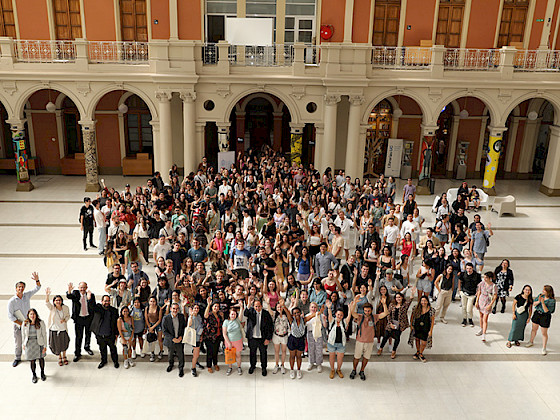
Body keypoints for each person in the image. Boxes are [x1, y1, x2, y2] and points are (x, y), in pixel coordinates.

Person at [7, 272, 41, 367]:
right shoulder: (12, 301)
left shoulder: (27, 295)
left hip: (29, 324)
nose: (21, 289)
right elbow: (10, 316)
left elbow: (37, 288)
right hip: (19, 325)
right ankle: (17, 357)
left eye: (22, 287)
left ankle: (31, 356)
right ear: (16, 288)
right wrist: (21, 323)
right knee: (18, 342)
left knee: (30, 340)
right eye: (19, 287)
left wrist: (37, 280)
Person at [349, 298, 388, 380]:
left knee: (366, 358)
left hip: (370, 342)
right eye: (365, 311)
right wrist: (354, 303)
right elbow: (353, 313)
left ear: (371, 310)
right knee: (356, 357)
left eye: (368, 311)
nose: (367, 312)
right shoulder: (360, 317)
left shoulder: (374, 317)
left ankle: (362, 371)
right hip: (360, 341)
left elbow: (385, 313)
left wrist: (384, 304)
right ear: (363, 310)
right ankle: (354, 370)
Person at [378, 290, 414, 359]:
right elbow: (388, 314)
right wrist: (390, 323)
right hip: (391, 323)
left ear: (402, 298)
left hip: (400, 324)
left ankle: (394, 351)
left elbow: (410, 300)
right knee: (386, 336)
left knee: (397, 338)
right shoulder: (392, 305)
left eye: (399, 297)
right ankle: (381, 348)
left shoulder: (404, 305)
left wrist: (412, 294)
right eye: (397, 297)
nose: (398, 299)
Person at [66, 281, 95, 362]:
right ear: (78, 288)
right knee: (79, 336)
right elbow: (69, 296)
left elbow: (93, 307)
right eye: (81, 287)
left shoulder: (91, 295)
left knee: (88, 334)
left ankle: (87, 347)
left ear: (86, 288)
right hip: (79, 319)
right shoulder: (75, 293)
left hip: (88, 318)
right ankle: (77, 353)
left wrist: (89, 299)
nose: (82, 289)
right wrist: (69, 290)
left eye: (84, 287)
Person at [244, 298, 274, 376]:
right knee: (252, 353)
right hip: (252, 337)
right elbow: (245, 313)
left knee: (263, 354)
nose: (257, 308)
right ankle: (252, 366)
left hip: (262, 338)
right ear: (253, 306)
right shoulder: (251, 311)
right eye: (256, 306)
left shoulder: (266, 314)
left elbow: (270, 326)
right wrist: (248, 304)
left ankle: (264, 367)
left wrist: (268, 338)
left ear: (261, 306)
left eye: (259, 306)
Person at [90, 295, 120, 369]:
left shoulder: (114, 310)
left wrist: (116, 334)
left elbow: (116, 323)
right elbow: (91, 306)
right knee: (102, 349)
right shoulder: (98, 308)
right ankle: (103, 361)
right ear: (102, 301)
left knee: (113, 349)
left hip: (110, 335)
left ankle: (115, 361)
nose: (107, 302)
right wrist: (91, 297)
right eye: (105, 301)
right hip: (100, 335)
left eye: (108, 301)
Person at [526, 285, 556, 355]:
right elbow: (534, 304)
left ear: (548, 292)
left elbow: (547, 311)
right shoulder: (540, 295)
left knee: (544, 333)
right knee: (534, 329)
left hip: (545, 316)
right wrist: (539, 301)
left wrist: (542, 303)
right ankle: (531, 341)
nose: (542, 291)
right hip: (537, 314)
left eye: (544, 290)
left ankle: (544, 348)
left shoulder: (552, 301)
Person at [45, 288, 70, 366]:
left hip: (63, 328)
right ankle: (59, 357)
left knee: (64, 343)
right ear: (54, 302)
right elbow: (47, 303)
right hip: (54, 329)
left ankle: (64, 356)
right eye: (56, 300)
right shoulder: (52, 308)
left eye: (59, 300)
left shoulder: (65, 308)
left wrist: (65, 320)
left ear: (61, 301)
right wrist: (47, 295)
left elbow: (68, 316)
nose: (58, 302)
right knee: (57, 344)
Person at [324, 299, 348, 379]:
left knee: (340, 358)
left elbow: (349, 317)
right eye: (338, 314)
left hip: (341, 344)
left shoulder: (344, 322)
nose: (339, 316)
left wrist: (351, 309)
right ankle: (332, 370)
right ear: (335, 314)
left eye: (341, 315)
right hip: (332, 343)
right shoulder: (332, 321)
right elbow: (330, 315)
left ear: (343, 316)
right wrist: (329, 308)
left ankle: (339, 369)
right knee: (331, 357)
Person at [22, 308, 47, 383]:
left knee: (41, 359)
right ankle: (34, 375)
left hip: (39, 343)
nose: (32, 316)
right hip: (29, 344)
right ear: (28, 315)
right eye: (31, 314)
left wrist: (45, 346)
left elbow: (44, 334)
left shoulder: (41, 323)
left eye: (33, 314)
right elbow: (23, 335)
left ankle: (42, 373)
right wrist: (23, 344)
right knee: (32, 360)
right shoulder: (25, 323)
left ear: (36, 315)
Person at [162, 303, 186, 377]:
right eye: (173, 308)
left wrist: (181, 336)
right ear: (170, 309)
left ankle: (181, 368)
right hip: (170, 340)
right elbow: (164, 331)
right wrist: (172, 338)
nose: (175, 310)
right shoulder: (166, 318)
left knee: (180, 354)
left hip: (179, 339)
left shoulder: (181, 317)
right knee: (170, 354)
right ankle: (171, 365)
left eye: (177, 309)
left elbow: (184, 327)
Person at [409, 296, 435, 362]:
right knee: (417, 339)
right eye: (422, 301)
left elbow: (432, 321)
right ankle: (418, 351)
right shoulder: (416, 308)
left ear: (427, 301)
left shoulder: (431, 310)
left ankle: (421, 353)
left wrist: (431, 331)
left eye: (425, 301)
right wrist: (411, 325)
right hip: (417, 327)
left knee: (423, 342)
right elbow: (412, 317)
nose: (423, 302)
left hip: (425, 328)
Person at [284, 306, 307, 379]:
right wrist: (283, 306)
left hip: (301, 340)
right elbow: (287, 312)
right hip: (292, 340)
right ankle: (292, 370)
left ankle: (299, 370)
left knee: (299, 356)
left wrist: (319, 312)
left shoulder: (304, 320)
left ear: (300, 313)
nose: (296, 314)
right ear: (293, 315)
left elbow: (312, 316)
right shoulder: (291, 320)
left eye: (298, 312)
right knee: (292, 356)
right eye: (295, 313)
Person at [475, 272, 498, 342]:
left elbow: (495, 296)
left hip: (488, 301)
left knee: (485, 319)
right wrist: (476, 301)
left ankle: (484, 334)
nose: (484, 279)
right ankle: (481, 329)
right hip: (481, 300)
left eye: (486, 277)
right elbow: (479, 292)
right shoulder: (481, 284)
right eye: (484, 277)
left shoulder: (493, 286)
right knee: (481, 316)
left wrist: (490, 305)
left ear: (490, 278)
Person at [203, 299, 223, 373]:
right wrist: (208, 304)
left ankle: (215, 364)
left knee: (215, 351)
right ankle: (209, 366)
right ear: (212, 307)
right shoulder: (209, 314)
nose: (216, 308)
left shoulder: (219, 315)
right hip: (209, 337)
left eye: (218, 307)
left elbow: (221, 324)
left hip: (217, 336)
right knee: (210, 352)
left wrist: (222, 317)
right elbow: (205, 316)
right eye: (215, 306)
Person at [222, 307, 244, 376]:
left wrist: (241, 307)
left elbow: (241, 314)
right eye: (232, 314)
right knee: (229, 355)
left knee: (238, 355)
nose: (233, 315)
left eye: (234, 314)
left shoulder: (238, 320)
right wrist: (228, 343)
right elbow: (224, 334)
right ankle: (230, 367)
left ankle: (239, 367)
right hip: (229, 341)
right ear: (229, 314)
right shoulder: (226, 322)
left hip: (238, 341)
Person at [458, 263, 481, 327]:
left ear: (472, 268)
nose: (468, 270)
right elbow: (459, 281)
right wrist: (460, 290)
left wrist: (478, 292)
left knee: (469, 309)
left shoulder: (477, 275)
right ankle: (464, 319)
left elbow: (479, 284)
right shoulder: (463, 274)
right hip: (464, 293)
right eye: (467, 268)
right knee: (464, 307)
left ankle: (470, 319)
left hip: (472, 294)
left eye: (470, 268)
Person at [304, 302, 323, 372]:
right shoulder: (307, 316)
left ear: (317, 308)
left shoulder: (320, 315)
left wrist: (324, 319)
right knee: (311, 348)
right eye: (312, 307)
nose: (313, 308)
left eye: (315, 307)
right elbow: (304, 324)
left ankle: (319, 364)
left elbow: (324, 325)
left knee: (318, 349)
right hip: (310, 333)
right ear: (309, 308)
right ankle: (311, 362)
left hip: (318, 334)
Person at [188, 304, 204, 377]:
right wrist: (191, 315)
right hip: (194, 338)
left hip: (199, 336)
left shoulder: (199, 316)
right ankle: (193, 368)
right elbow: (189, 324)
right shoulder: (191, 317)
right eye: (195, 308)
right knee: (196, 354)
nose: (196, 309)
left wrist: (201, 336)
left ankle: (196, 363)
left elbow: (201, 326)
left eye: (197, 308)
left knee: (197, 353)